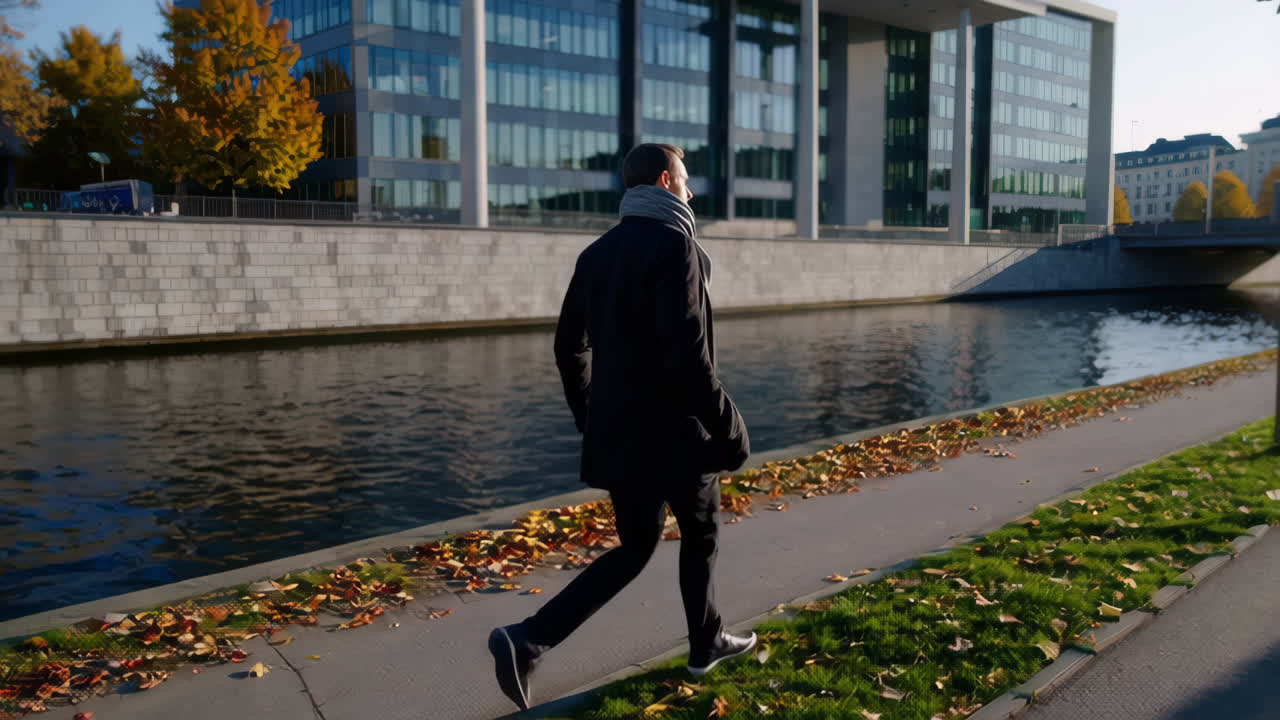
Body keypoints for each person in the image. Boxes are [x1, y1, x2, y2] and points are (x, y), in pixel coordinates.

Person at [488, 144, 756, 711]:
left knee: (636, 548)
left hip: (626, 437)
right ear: (665, 181)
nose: (690, 191)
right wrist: (731, 428)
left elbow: (568, 349)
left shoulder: (597, 253)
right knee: (701, 535)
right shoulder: (674, 245)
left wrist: (592, 417)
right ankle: (705, 643)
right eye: (684, 181)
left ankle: (528, 639)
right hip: (678, 437)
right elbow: (687, 361)